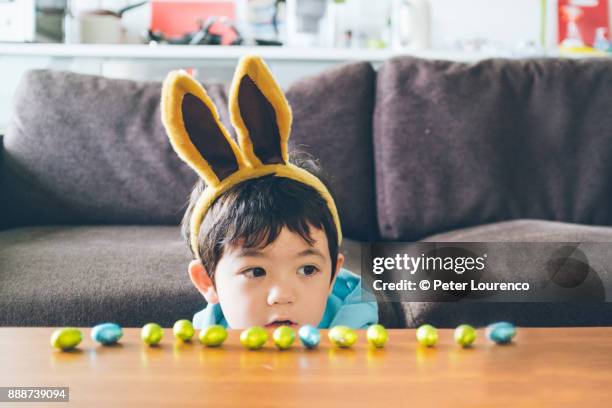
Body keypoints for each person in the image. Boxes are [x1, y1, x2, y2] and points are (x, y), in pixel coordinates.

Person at [161, 54, 378, 329]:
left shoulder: (355, 334)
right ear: (208, 281)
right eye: (255, 271)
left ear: (332, 276)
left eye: (308, 270)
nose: (282, 296)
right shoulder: (203, 346)